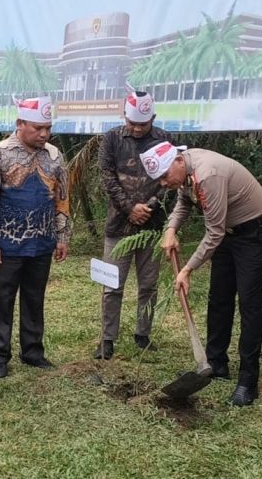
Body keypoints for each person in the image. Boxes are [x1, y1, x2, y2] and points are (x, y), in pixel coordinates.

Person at [144, 142, 262, 407]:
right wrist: (171, 229)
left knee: (249, 303)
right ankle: (216, 364)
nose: (163, 183)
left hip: (254, 233)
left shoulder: (208, 174)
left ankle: (248, 381)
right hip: (229, 233)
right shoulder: (185, 172)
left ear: (178, 161)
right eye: (157, 179)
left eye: (164, 176)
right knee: (219, 299)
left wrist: (187, 269)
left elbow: (213, 232)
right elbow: (184, 201)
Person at [0, 96, 72, 378]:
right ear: (20, 124)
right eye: (37, 128)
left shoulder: (54, 155)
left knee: (34, 298)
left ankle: (32, 351)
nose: (44, 134)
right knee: (2, 299)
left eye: (48, 128)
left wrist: (62, 236)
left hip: (42, 242)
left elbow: (62, 198)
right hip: (7, 245)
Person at [95, 91, 172, 360]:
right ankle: (106, 339)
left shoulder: (164, 140)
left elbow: (170, 180)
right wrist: (130, 208)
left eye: (143, 123)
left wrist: (149, 206)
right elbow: (107, 177)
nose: (137, 128)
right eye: (133, 122)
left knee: (149, 285)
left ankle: (143, 334)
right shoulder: (112, 138)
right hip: (118, 224)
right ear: (124, 116)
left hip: (152, 224)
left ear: (153, 117)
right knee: (111, 285)